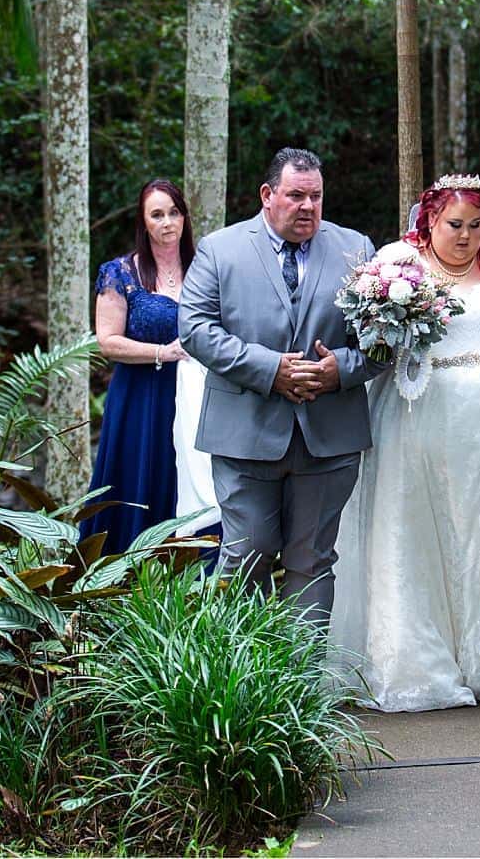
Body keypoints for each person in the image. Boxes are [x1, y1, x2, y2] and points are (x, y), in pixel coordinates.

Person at [331, 174, 480, 710]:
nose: (465, 236)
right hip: (416, 422)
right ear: (430, 220)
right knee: (415, 540)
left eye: (474, 225)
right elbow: (368, 338)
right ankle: (414, 660)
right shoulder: (398, 262)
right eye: (453, 225)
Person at [177, 147, 382, 619]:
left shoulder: (357, 250)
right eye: (295, 196)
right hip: (244, 430)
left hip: (328, 434)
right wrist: (271, 370)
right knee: (247, 552)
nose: (307, 207)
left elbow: (384, 338)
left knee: (312, 559)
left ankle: (302, 685)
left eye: (316, 197)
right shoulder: (219, 249)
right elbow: (196, 329)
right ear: (268, 195)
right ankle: (240, 677)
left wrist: (341, 370)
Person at [78, 179, 195, 554]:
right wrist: (162, 353)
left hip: (194, 394)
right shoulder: (121, 272)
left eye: (174, 213)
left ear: (184, 217)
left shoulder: (204, 269)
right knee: (137, 475)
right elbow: (107, 341)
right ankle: (124, 569)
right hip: (140, 396)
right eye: (157, 215)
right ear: (144, 222)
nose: (167, 223)